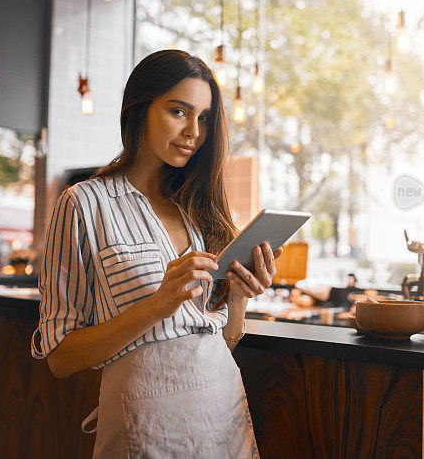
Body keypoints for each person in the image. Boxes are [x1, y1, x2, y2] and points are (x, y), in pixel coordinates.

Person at [31, 50, 282, 458]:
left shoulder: (199, 209)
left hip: (224, 416)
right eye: (179, 112)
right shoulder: (83, 204)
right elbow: (60, 357)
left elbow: (220, 342)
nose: (194, 133)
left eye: (204, 118)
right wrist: (158, 304)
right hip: (145, 426)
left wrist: (238, 298)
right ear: (139, 109)